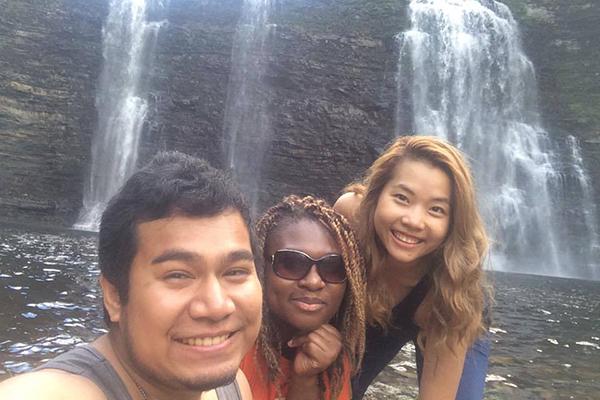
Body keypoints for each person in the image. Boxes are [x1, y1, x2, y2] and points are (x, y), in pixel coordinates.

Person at [0, 151, 263, 400]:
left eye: (236, 272)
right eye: (178, 275)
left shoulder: (232, 386)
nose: (217, 306)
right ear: (114, 296)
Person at [334, 136, 492, 400]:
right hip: (373, 314)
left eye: (436, 209)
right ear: (377, 191)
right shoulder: (350, 217)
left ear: (454, 222)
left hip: (454, 306)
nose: (413, 221)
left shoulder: (453, 293)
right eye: (402, 198)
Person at [241, 195, 366, 400]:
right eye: (291, 263)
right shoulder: (230, 346)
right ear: (261, 268)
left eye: (333, 268)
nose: (314, 281)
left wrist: (306, 378)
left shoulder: (334, 360)